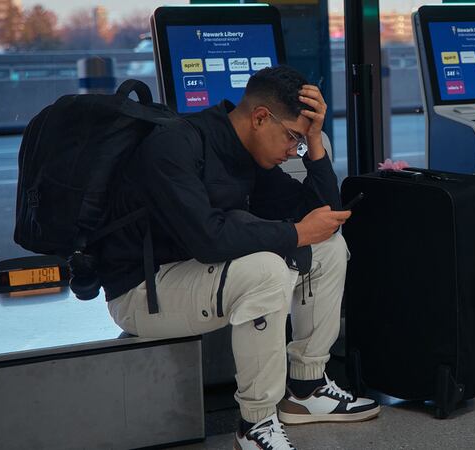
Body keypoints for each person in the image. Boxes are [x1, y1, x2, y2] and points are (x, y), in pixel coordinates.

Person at [98, 65, 380, 449]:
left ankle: (307, 386)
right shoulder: (177, 144)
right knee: (266, 270)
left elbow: (323, 219)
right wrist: (296, 232)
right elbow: (209, 239)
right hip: (141, 291)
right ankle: (256, 425)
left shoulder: (248, 153)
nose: (291, 150)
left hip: (195, 273)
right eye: (293, 138)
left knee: (327, 248)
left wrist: (315, 143)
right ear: (261, 117)